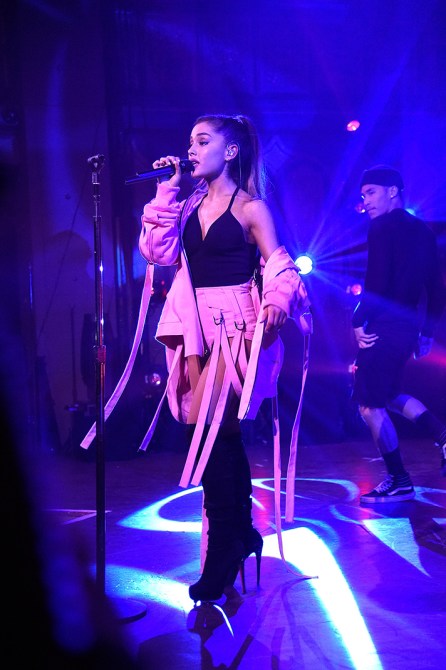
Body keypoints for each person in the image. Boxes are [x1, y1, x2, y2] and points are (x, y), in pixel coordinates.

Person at [136, 113, 311, 603]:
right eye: (190, 141)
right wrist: (166, 190)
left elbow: (279, 263)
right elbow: (158, 252)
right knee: (218, 434)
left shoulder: (252, 207)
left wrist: (277, 300)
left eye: (202, 141)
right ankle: (242, 532)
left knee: (209, 434)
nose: (191, 150)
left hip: (235, 328)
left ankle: (222, 552)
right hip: (195, 327)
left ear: (230, 151)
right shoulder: (187, 205)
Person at [352, 164, 446, 505]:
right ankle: (443, 436)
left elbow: (376, 281)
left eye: (371, 192)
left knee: (369, 405)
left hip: (384, 326)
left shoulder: (381, 227)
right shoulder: (423, 231)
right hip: (407, 326)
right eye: (363, 196)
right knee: (389, 393)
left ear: (393, 191)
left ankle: (399, 479)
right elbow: (436, 286)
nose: (366, 201)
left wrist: (358, 319)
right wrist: (426, 330)